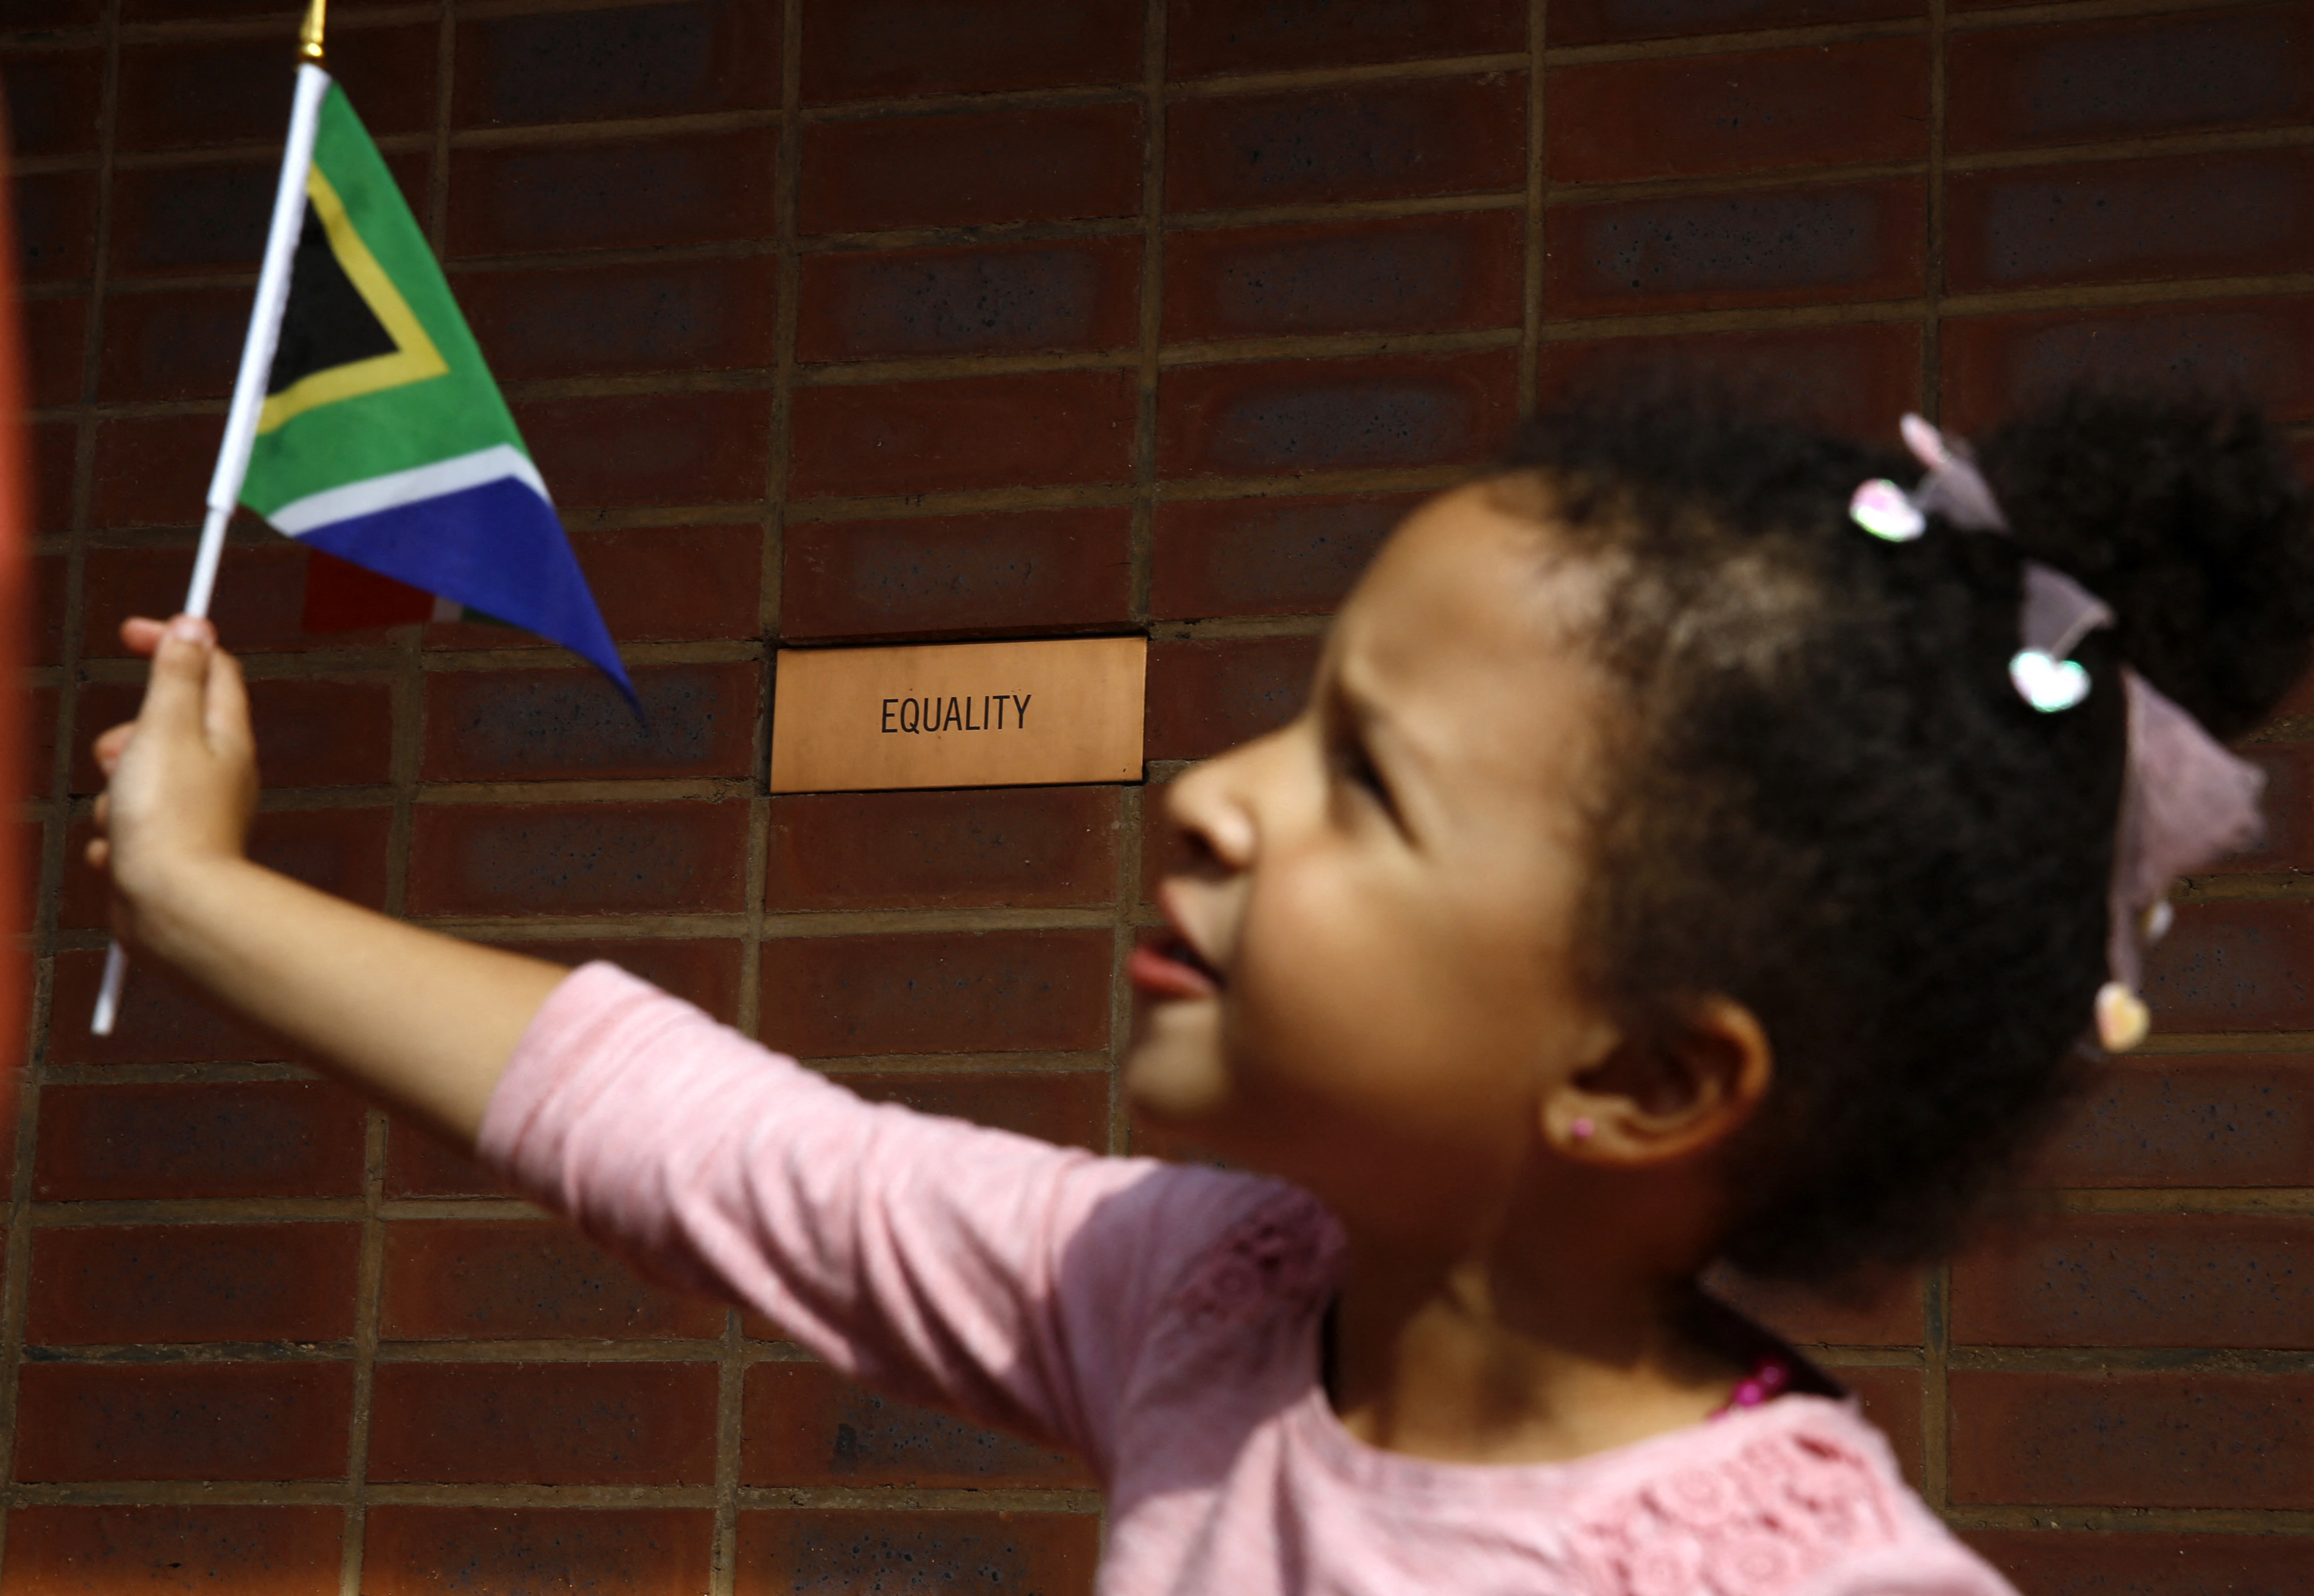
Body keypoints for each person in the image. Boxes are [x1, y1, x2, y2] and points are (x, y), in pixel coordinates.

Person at [86, 387, 2314, 1594]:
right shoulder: (1217, 1303)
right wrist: (198, 899)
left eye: (1365, 778)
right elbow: (721, 1149)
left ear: (1638, 1077)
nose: (1206, 791)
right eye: (1296, 708)